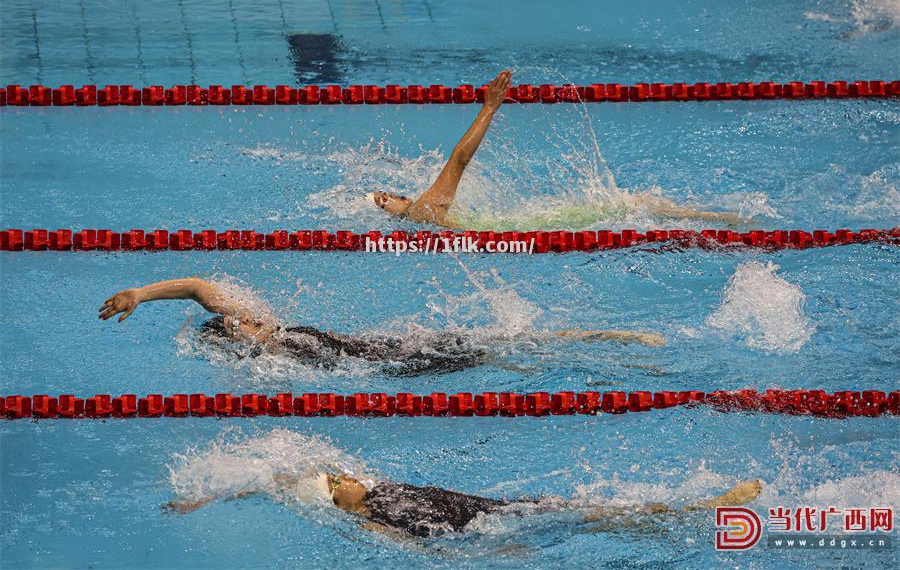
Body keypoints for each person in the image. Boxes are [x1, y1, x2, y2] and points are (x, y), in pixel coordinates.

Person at [369, 69, 743, 229]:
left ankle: (716, 217)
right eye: (385, 198)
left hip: (515, 230)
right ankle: (719, 217)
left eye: (388, 193)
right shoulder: (423, 210)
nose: (389, 197)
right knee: (631, 206)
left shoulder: (424, 218)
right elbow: (460, 159)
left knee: (630, 208)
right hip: (515, 232)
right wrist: (489, 107)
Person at [99, 277, 666, 375]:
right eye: (235, 325)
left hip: (389, 347)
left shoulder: (268, 328)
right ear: (239, 341)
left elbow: (198, 287)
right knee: (502, 354)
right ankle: (613, 351)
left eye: (235, 318)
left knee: (503, 344)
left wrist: (141, 295)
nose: (242, 320)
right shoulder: (272, 357)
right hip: (398, 366)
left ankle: (610, 340)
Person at [164, 471, 764, 539]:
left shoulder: (370, 493)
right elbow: (420, 555)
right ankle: (707, 507)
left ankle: (678, 516)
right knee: (596, 516)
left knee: (595, 512)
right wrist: (494, 557)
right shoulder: (371, 518)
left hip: (501, 505)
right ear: (335, 503)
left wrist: (210, 494)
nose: (345, 474)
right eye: (336, 480)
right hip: (491, 528)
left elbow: (274, 479)